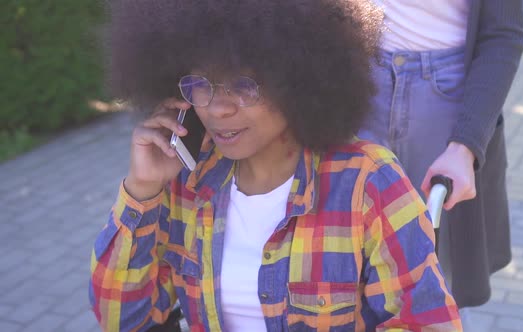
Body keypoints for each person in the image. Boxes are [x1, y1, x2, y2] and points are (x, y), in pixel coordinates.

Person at [89, 0, 462, 331]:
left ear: (298, 80)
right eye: (201, 83)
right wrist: (142, 189)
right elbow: (123, 320)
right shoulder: (184, 181)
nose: (218, 108)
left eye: (243, 84)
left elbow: (425, 323)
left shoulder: (369, 182)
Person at [357, 0, 523, 326]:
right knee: (342, 264)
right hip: (353, 76)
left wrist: (465, 147)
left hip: (445, 94)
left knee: (432, 279)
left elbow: (503, 34)